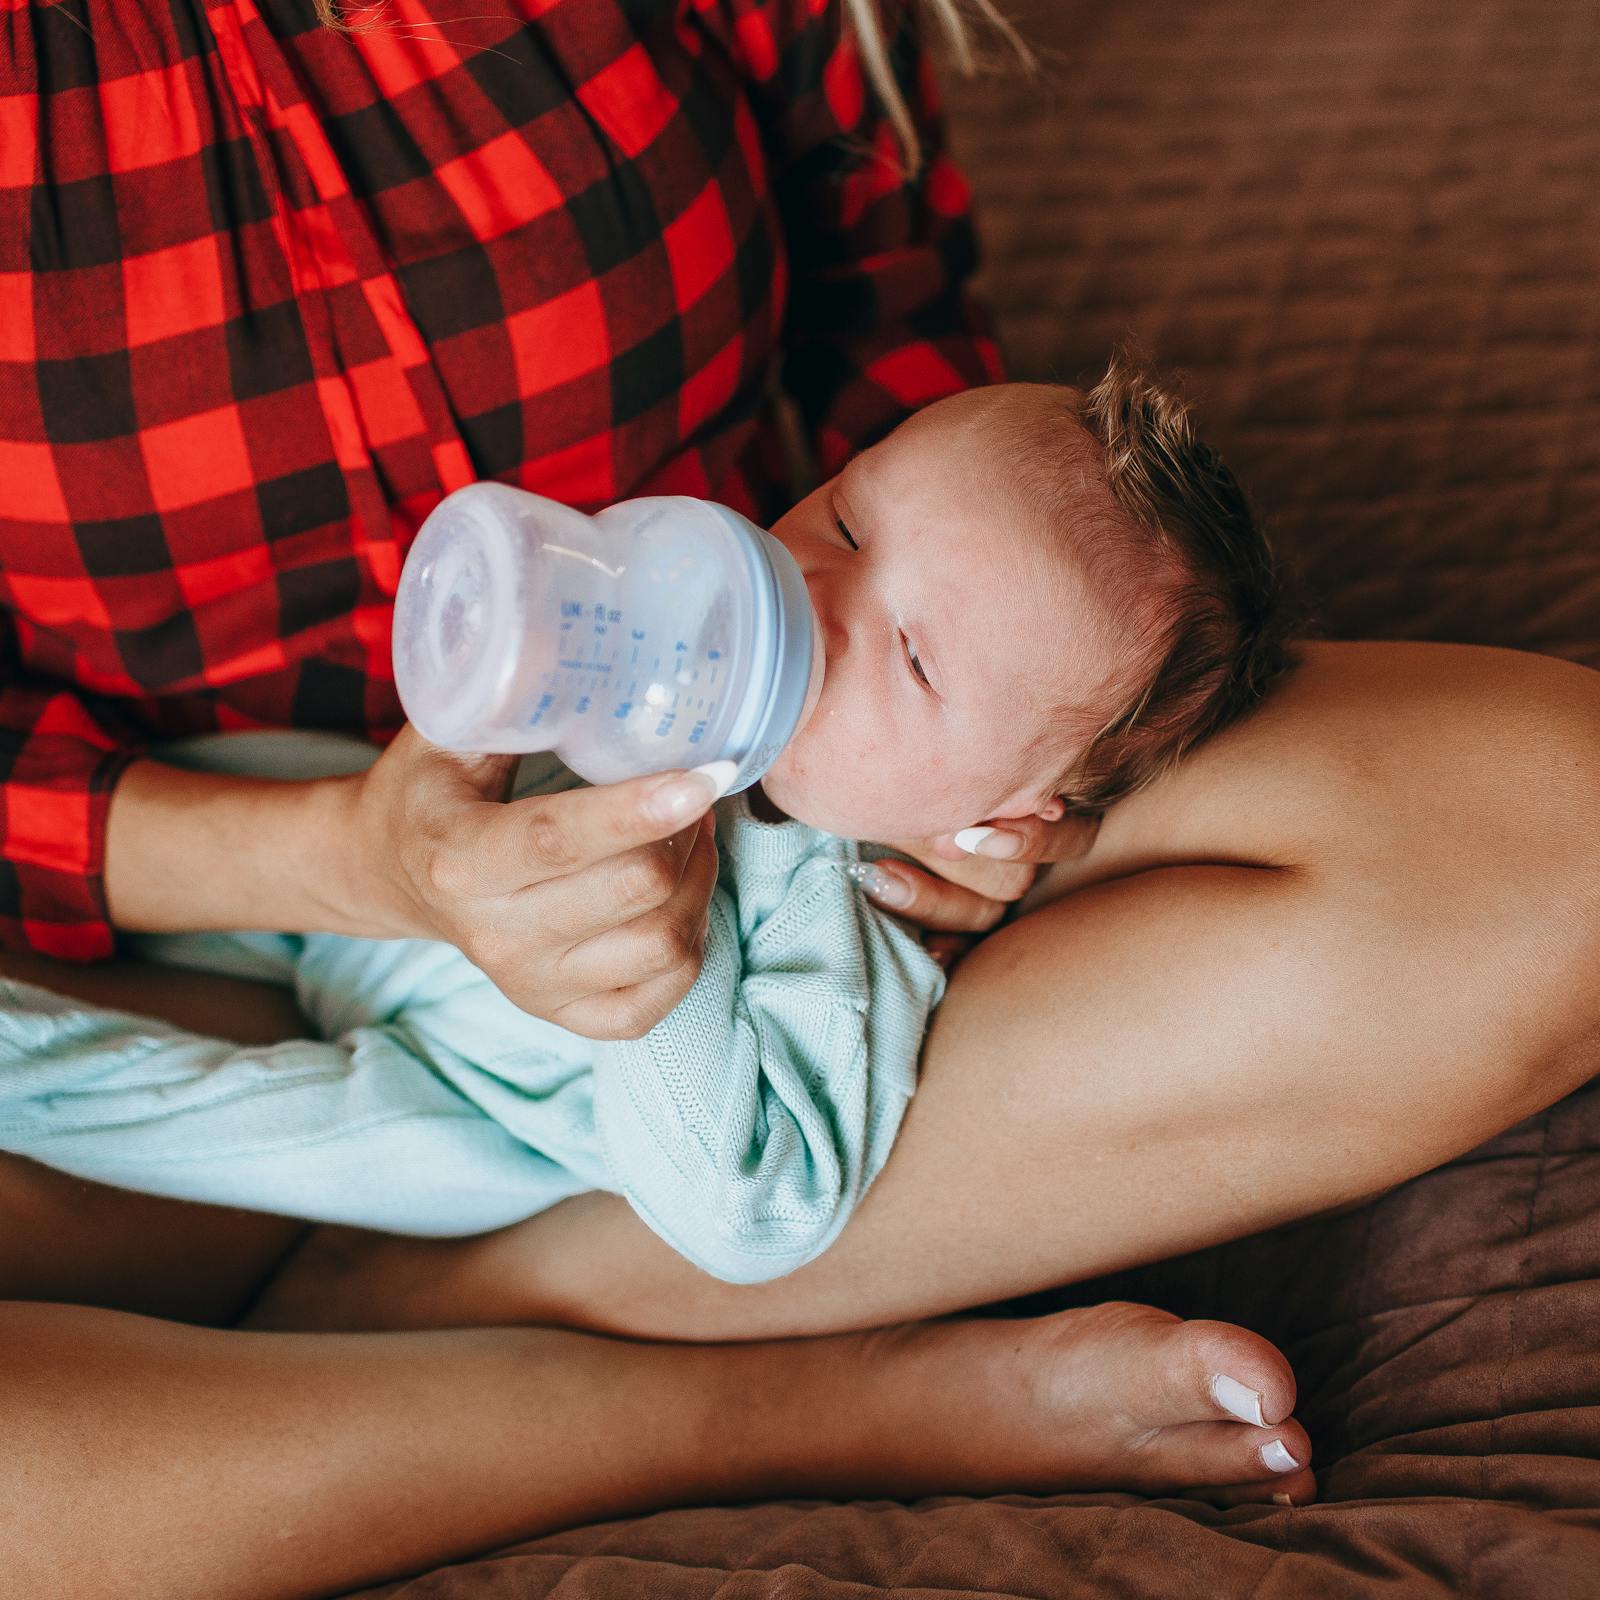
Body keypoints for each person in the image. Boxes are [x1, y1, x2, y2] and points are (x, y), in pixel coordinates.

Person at [2, 3, 1598, 1595]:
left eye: (892, 641)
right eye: (830, 523)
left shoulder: (865, 896)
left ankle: (392, 1319)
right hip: (174, 911)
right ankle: (766, 1392)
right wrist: (344, 858)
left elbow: (891, 331)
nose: (793, 585)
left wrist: (932, 793)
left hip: (627, 1017)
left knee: (1561, 842)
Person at [0, 371, 1287, 1281]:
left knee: (189, 1115)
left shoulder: (854, 932)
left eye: (912, 659)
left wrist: (657, 976)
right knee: (240, 781)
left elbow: (754, 1215)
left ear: (1001, 817)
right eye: (844, 514)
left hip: (460, 1095)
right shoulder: (674, 667)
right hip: (362, 886)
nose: (811, 587)